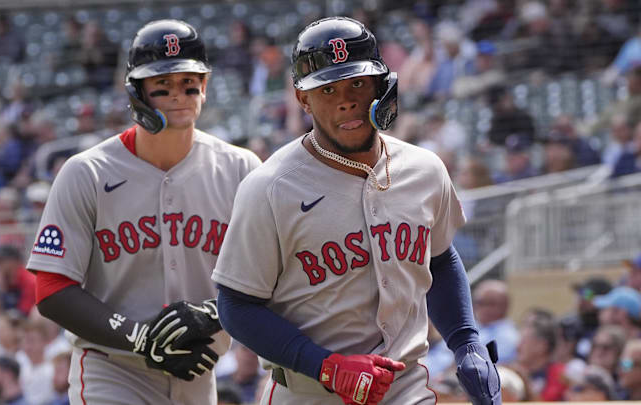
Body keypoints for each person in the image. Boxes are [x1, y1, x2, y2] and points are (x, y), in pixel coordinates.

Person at [212, 17, 501, 405]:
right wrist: (326, 366)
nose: (346, 99)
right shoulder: (269, 187)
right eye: (327, 89)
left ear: (383, 86)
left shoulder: (425, 169)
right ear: (303, 99)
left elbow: (439, 258)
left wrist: (466, 342)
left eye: (357, 84)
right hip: (309, 391)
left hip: (405, 387)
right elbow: (235, 304)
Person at [26, 19, 261, 405]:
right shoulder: (87, 172)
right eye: (162, 86)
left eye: (188, 82)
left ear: (204, 86)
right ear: (136, 94)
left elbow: (268, 277)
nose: (178, 95)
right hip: (113, 369)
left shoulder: (239, 169)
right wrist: (139, 337)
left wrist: (213, 313)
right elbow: (51, 289)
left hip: (199, 369)